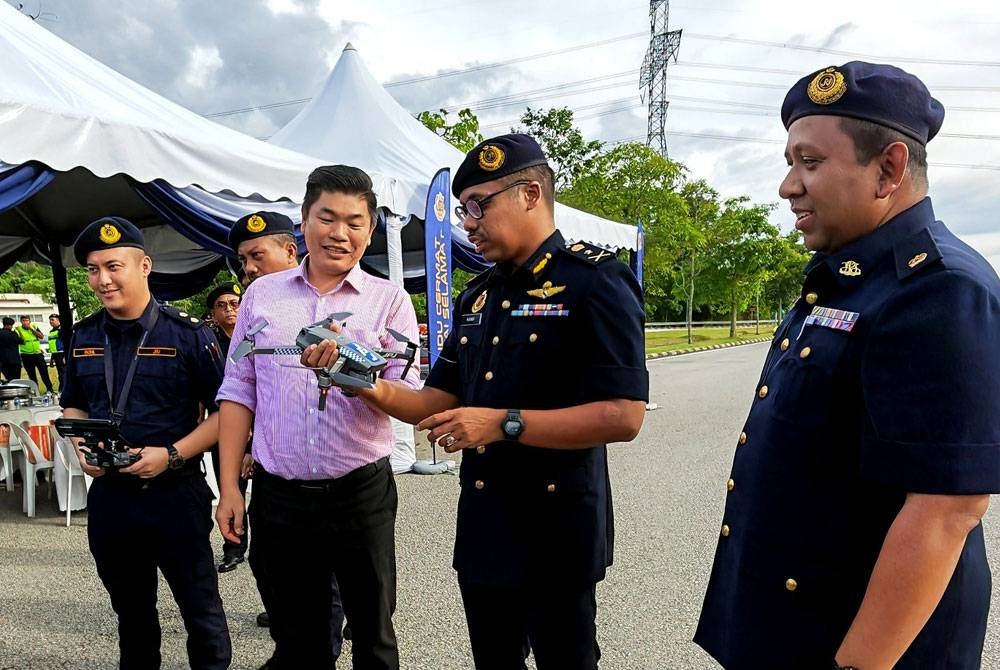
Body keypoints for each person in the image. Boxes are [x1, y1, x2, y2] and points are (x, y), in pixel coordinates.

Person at [694, 62, 1000, 670]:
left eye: (810, 162)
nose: (787, 185)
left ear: (889, 168)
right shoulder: (846, 278)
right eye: (790, 161)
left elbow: (946, 511)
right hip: (795, 622)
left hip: (864, 645)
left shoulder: (938, 289)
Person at [305, 134, 648, 670]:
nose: (467, 223)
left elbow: (623, 416)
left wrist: (502, 424)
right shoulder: (478, 295)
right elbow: (434, 402)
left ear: (530, 194)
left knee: (567, 659)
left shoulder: (596, 281)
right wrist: (355, 378)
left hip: (558, 526)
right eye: (463, 210)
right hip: (488, 524)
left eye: (476, 207)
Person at [217, 171, 417, 670]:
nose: (339, 233)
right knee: (296, 636)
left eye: (355, 222)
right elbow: (239, 390)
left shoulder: (388, 301)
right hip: (279, 496)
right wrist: (228, 488)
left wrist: (351, 373)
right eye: (326, 218)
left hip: (360, 493)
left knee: (373, 632)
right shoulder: (262, 297)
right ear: (304, 222)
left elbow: (410, 398)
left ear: (370, 231)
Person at [60, 216, 231, 669]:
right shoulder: (82, 337)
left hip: (175, 494)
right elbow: (72, 404)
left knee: (201, 613)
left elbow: (227, 413)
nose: (103, 279)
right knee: (132, 615)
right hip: (112, 499)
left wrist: (173, 454)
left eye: (114, 266)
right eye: (93, 269)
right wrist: (81, 447)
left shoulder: (190, 335)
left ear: (145, 266)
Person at [204, 283, 252, 573]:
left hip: (262, 427)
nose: (229, 310)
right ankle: (234, 548)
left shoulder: (255, 338)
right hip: (222, 427)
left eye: (234, 303)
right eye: (222, 305)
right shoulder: (208, 343)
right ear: (213, 312)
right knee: (231, 489)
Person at [15, 314, 54, 393]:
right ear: (21, 322)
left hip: (37, 353)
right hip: (26, 355)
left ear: (30, 321)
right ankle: (36, 391)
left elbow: (41, 336)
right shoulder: (17, 329)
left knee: (44, 372)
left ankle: (50, 389)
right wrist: (19, 331)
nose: (25, 323)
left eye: (27, 321)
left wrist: (32, 329)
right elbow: (21, 341)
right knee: (31, 375)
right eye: (23, 321)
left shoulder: (34, 326)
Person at [47, 313, 67, 390]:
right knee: (60, 373)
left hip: (62, 354)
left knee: (63, 373)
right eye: (50, 320)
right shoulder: (51, 332)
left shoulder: (62, 330)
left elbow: (67, 343)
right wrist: (52, 359)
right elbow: (52, 346)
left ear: (58, 320)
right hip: (55, 355)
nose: (51, 321)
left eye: (52, 320)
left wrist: (66, 355)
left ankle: (62, 389)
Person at [0, 317, 22, 383]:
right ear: (9, 325)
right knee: (16, 381)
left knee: (9, 379)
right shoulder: (13, 334)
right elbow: (22, 341)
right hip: (14, 361)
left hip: (3, 361)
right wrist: (19, 331)